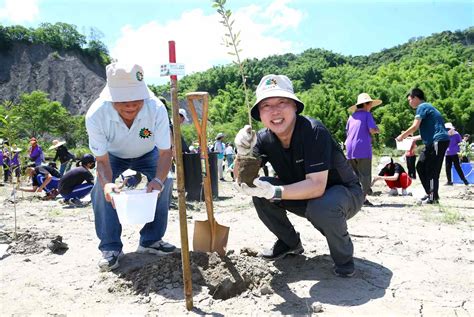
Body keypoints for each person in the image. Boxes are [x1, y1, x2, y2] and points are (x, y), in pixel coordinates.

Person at [234, 74, 364, 277]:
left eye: (282, 102)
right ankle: (290, 243)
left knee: (323, 206)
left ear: (295, 106)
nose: (275, 110)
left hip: (343, 194)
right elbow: (244, 182)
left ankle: (344, 258)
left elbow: (317, 186)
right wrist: (242, 153)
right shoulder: (262, 138)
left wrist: (275, 191)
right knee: (260, 190)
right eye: (266, 105)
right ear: (259, 113)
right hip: (302, 195)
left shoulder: (313, 131)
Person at [85, 62, 175, 272]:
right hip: (113, 156)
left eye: (136, 99)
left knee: (167, 181)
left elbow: (165, 153)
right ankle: (110, 248)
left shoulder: (156, 108)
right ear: (111, 97)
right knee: (100, 189)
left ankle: (150, 240)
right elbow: (102, 161)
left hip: (148, 153)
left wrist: (158, 180)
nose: (131, 105)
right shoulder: (96, 115)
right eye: (123, 100)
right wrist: (108, 185)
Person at [396, 88, 449, 205]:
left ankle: (432, 198)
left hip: (438, 142)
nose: (409, 103)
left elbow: (414, 127)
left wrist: (402, 136)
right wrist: (414, 138)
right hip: (434, 141)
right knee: (420, 166)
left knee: (431, 170)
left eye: (409, 100)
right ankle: (430, 194)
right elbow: (430, 130)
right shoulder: (428, 108)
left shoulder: (422, 107)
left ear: (415, 98)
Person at [345, 93, 381, 206]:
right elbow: (371, 129)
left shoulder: (351, 117)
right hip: (363, 148)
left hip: (350, 149)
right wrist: (377, 130)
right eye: (370, 104)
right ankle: (363, 199)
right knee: (365, 175)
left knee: (353, 175)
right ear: (366, 104)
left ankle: (353, 198)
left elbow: (347, 131)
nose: (371, 106)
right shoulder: (367, 115)